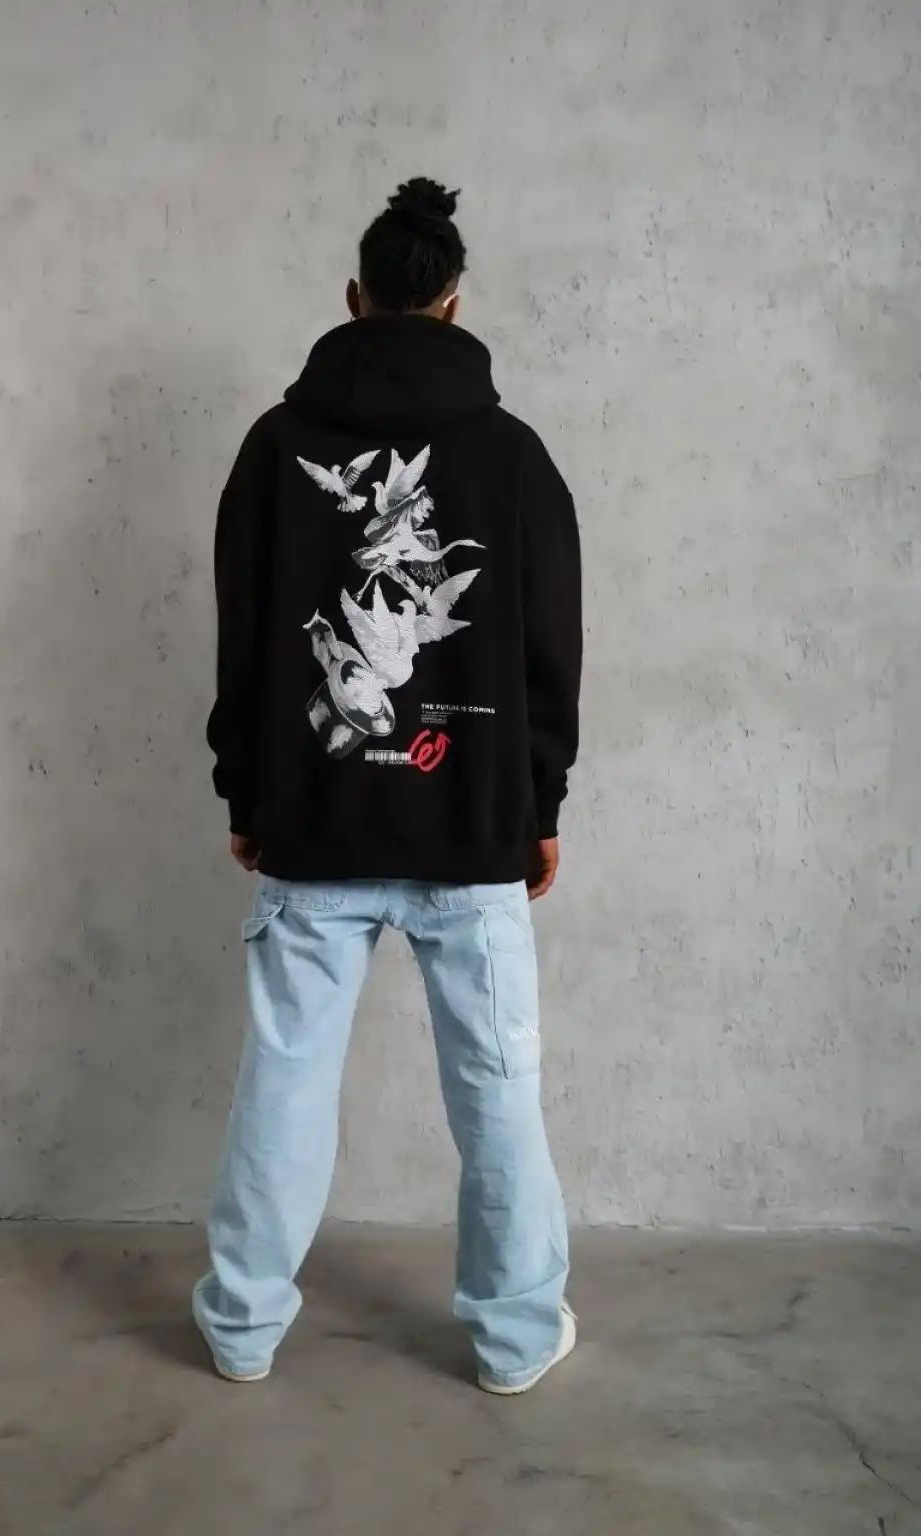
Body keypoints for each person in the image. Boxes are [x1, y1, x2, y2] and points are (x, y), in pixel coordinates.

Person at [193, 178, 583, 1395]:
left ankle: (240, 1332)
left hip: (316, 823)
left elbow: (245, 635)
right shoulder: (512, 457)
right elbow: (550, 646)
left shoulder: (276, 445)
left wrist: (248, 795)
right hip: (472, 828)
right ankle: (515, 1341)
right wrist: (538, 805)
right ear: (454, 304)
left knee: (285, 1080)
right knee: (497, 1091)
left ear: (353, 298)